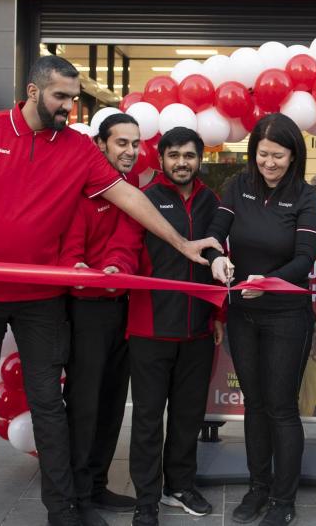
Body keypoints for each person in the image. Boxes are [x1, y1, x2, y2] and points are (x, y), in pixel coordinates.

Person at [0, 56, 219, 526]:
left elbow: (128, 197)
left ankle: (61, 507)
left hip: (41, 299)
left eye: (73, 98)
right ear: (32, 90)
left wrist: (181, 242)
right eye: (60, 97)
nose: (68, 107)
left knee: (49, 403)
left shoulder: (77, 147)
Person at [207, 113, 316, 526]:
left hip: (287, 316)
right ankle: (257, 488)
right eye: (262, 155)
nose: (269, 163)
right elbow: (214, 234)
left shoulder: (306, 196)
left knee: (280, 407)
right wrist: (216, 258)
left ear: (294, 156)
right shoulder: (237, 187)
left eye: (278, 156)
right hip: (244, 313)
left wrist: (270, 282)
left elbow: (305, 259)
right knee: (254, 405)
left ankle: (282, 499)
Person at [109, 126, 223, 526]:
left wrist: (220, 316)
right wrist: (116, 268)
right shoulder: (145, 199)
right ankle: (146, 498)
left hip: (199, 329)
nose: (181, 163)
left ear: (199, 159)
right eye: (173, 155)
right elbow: (125, 246)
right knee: (147, 417)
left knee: (189, 416)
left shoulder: (213, 202)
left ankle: (180, 486)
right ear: (161, 160)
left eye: (189, 155)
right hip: (150, 329)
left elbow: (224, 258)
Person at [58, 113, 142, 525]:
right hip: (85, 308)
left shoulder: (130, 190)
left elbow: (129, 239)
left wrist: (116, 267)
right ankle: (75, 496)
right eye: (121, 143)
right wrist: (82, 266)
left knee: (111, 401)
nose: (129, 151)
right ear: (101, 144)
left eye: (135, 144)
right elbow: (70, 243)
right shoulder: (82, 188)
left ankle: (96, 484)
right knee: (84, 404)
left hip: (121, 304)